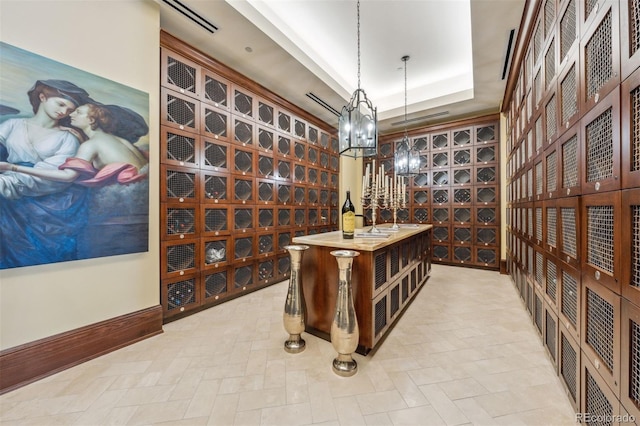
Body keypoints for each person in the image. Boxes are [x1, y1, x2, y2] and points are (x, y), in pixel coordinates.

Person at [0, 79, 90, 269]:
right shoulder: (12, 124)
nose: (64, 111)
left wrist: (9, 174)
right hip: (10, 184)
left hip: (46, 197)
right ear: (42, 97)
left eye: (69, 109)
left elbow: (53, 176)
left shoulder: (67, 138)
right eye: (61, 103)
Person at [0, 102, 149, 187]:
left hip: (124, 197)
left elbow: (67, 176)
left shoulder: (90, 145)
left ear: (91, 120)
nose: (70, 114)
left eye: (78, 112)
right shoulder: (119, 140)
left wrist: (12, 167)